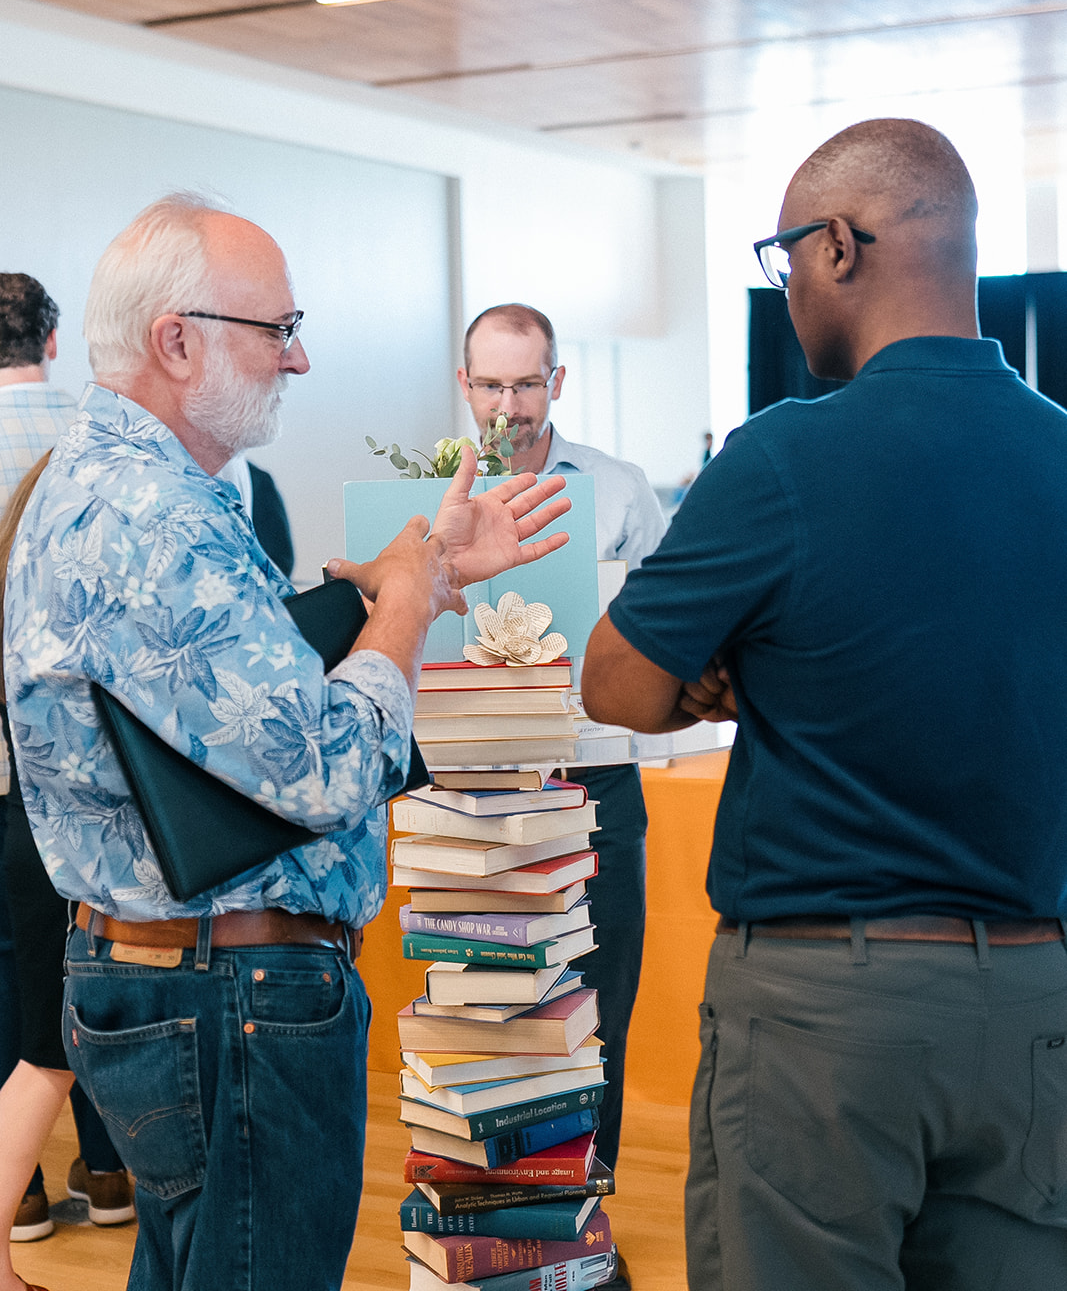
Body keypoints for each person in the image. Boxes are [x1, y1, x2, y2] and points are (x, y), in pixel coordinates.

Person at [3, 197, 570, 1291]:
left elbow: (228, 694)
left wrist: (419, 572)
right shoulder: (157, 515)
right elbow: (328, 768)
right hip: (232, 995)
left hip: (186, 978)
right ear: (177, 340)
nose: (298, 358)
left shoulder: (123, 485)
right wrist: (404, 607)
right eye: (278, 329)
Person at [581, 117, 1067, 1291]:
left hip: (824, 1012)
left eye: (784, 255)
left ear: (839, 246)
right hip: (1034, 1003)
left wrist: (730, 672)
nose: (786, 286)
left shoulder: (779, 457)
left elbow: (615, 682)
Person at [458, 305, 666, 1199]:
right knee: (492, 1003)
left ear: (556, 382)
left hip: (596, 777)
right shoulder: (431, 493)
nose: (507, 406)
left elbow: (660, 631)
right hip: (477, 784)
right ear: (464, 384)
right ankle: (505, 1202)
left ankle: (582, 1204)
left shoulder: (617, 490)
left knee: (598, 1000)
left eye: (524, 384)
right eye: (489, 385)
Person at [0, 276, 133, 1268]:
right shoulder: (106, 441)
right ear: (53, 339)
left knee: (15, 973)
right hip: (95, 774)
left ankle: (28, 1194)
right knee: (91, 960)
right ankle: (110, 1165)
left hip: (9, 764)